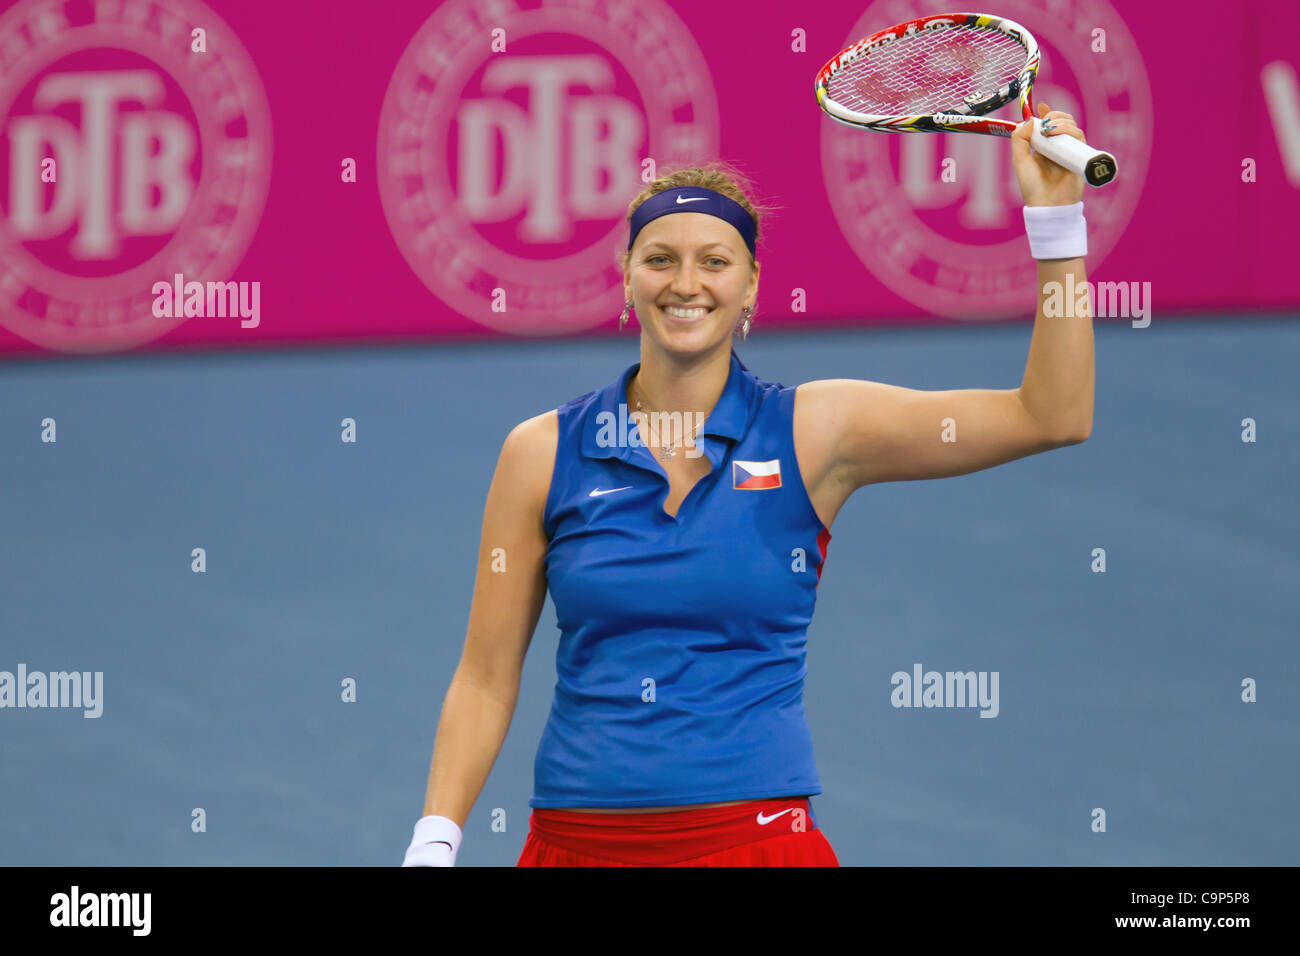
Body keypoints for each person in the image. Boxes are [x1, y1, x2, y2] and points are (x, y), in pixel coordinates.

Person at [403, 103, 1094, 867]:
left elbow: (1050, 415)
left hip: (751, 844)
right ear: (626, 277)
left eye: (715, 261)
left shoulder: (817, 433)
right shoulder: (540, 453)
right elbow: (485, 677)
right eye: (659, 258)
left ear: (752, 287)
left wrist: (1057, 229)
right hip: (575, 843)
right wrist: (436, 839)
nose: (685, 283)